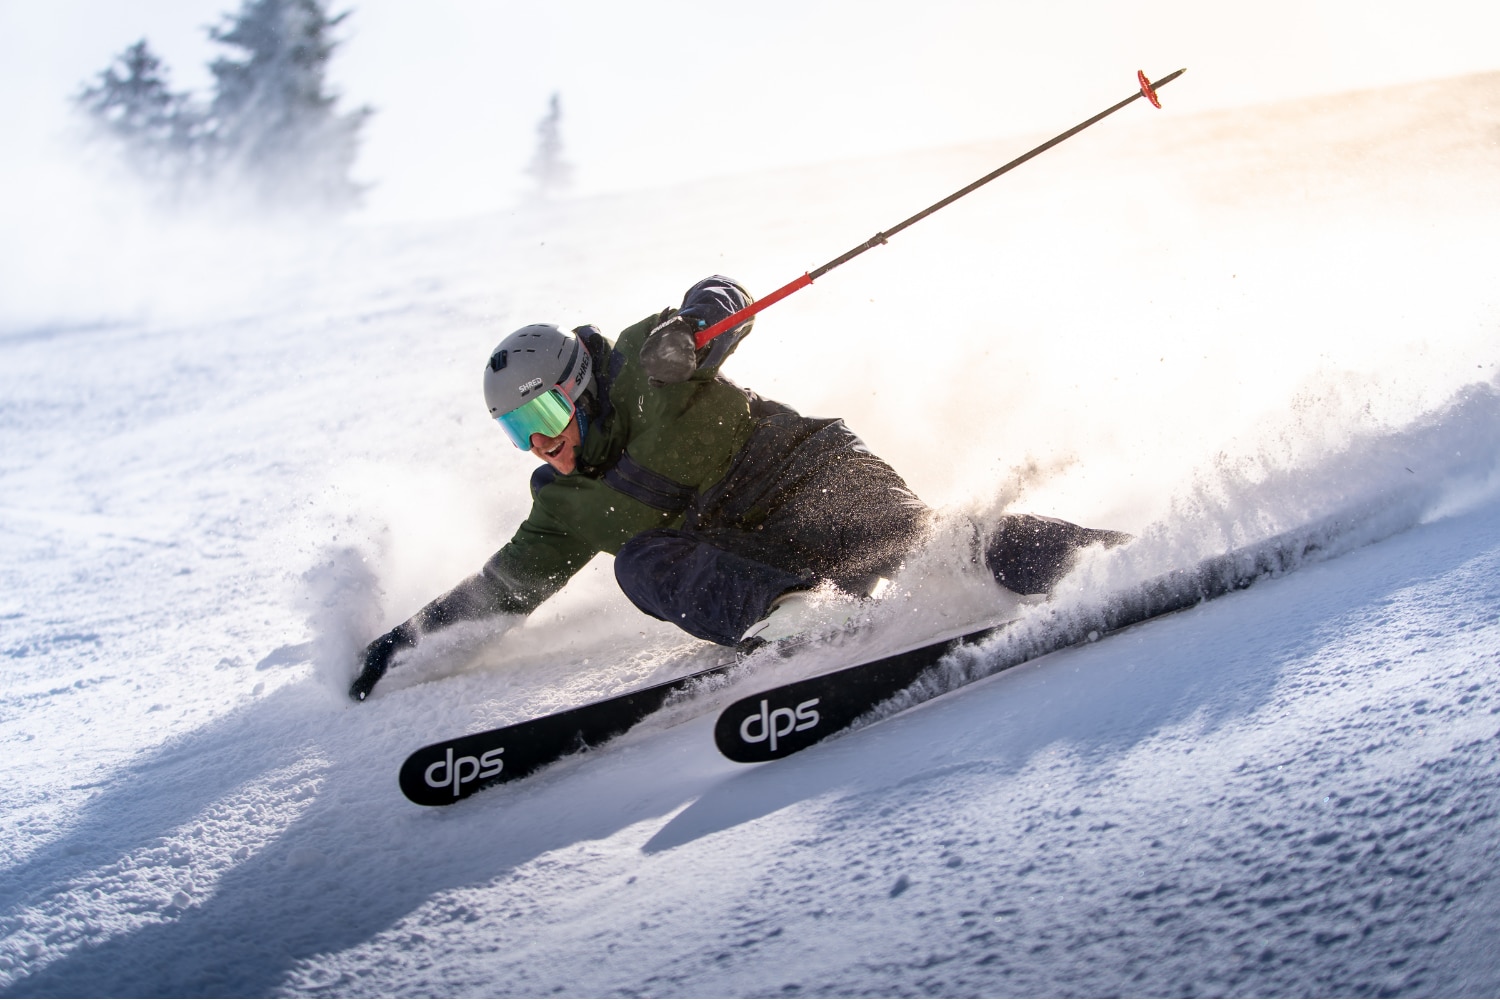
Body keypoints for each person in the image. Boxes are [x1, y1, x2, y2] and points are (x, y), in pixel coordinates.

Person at [349, 276, 1125, 702]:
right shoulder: (565, 506)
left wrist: (695, 326)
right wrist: (405, 644)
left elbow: (725, 296)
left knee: (935, 549)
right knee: (638, 562)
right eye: (519, 432)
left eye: (546, 413)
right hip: (760, 564)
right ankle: (795, 618)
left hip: (813, 477)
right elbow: (501, 591)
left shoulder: (639, 365)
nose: (543, 442)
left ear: (578, 385)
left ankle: (1115, 562)